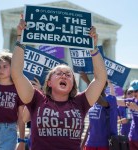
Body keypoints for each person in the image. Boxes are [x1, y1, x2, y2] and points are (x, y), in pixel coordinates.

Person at [11, 17, 107, 150]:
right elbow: (16, 73)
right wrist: (20, 38)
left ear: (73, 84)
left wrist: (93, 47)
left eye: (68, 75)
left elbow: (100, 79)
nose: (64, 75)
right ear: (49, 82)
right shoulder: (36, 99)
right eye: (59, 73)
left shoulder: (81, 102)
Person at [0, 51, 25, 150]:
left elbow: (21, 117)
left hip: (8, 133)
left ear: (12, 68)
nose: (1, 69)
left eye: (5, 66)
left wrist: (22, 140)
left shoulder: (18, 89)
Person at [80, 73, 117, 150]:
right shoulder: (92, 103)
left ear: (104, 86)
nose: (95, 85)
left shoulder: (111, 99)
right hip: (90, 143)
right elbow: (90, 125)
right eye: (94, 83)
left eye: (97, 83)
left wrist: (88, 81)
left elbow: (102, 102)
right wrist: (82, 144)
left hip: (104, 144)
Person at [117, 80, 138, 150]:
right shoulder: (132, 100)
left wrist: (136, 108)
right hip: (132, 137)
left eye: (136, 90)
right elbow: (116, 101)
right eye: (132, 91)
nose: (134, 93)